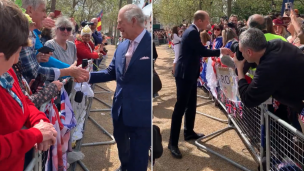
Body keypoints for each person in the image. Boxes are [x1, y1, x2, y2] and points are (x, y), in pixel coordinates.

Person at [76, 4, 151, 171]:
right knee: (123, 149)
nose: (117, 27)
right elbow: (111, 72)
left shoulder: (150, 43)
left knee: (139, 159)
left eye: (120, 22)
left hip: (141, 115)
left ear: (132, 21)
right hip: (119, 111)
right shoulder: (122, 45)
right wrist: (86, 76)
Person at [0, 1, 57, 170]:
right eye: (18, 52)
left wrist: (41, 123)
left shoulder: (6, 71)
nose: (17, 59)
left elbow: (23, 100)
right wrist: (34, 134)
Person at [169, 10, 231, 159]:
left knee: (191, 104)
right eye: (207, 20)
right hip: (184, 75)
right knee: (180, 108)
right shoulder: (192, 32)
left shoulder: (192, 31)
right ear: (200, 20)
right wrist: (220, 51)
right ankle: (172, 143)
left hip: (189, 74)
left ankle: (188, 132)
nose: (209, 23)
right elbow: (202, 51)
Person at [234, 28, 304, 123]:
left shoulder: (267, 67)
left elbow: (248, 99)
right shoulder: (279, 43)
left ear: (249, 52)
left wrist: (239, 69)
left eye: (241, 51)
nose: (241, 54)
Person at [20, 0, 88, 83]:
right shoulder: (22, 35)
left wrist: (37, 59)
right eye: (43, 11)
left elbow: (28, 65)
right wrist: (69, 71)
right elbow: (34, 71)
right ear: (30, 10)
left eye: (69, 29)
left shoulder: (71, 45)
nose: (45, 16)